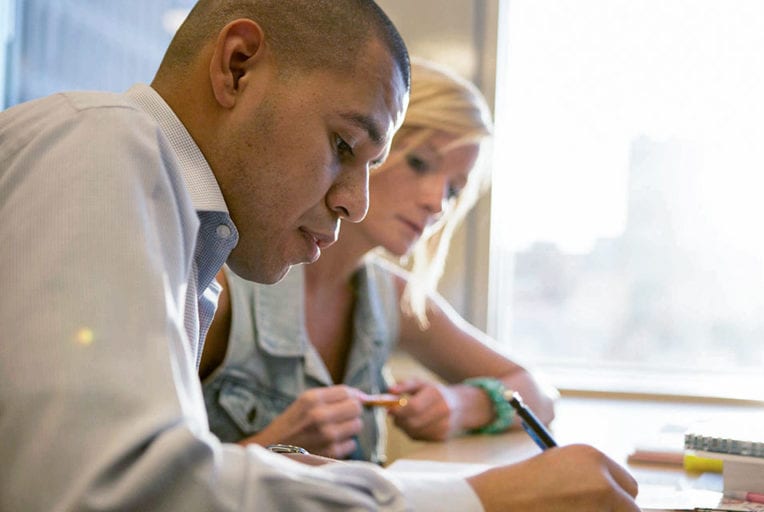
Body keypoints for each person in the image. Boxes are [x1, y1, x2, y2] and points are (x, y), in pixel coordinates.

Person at [0, 1, 641, 511]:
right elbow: (103, 492)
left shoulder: (192, 247)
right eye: (343, 143)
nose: (355, 204)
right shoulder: (99, 143)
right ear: (238, 65)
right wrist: (481, 499)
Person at [200, 59, 559, 465]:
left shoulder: (395, 297)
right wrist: (270, 451)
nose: (436, 202)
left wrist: (461, 405)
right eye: (420, 163)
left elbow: (539, 393)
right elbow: (140, 485)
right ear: (365, 143)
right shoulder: (219, 286)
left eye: (454, 190)